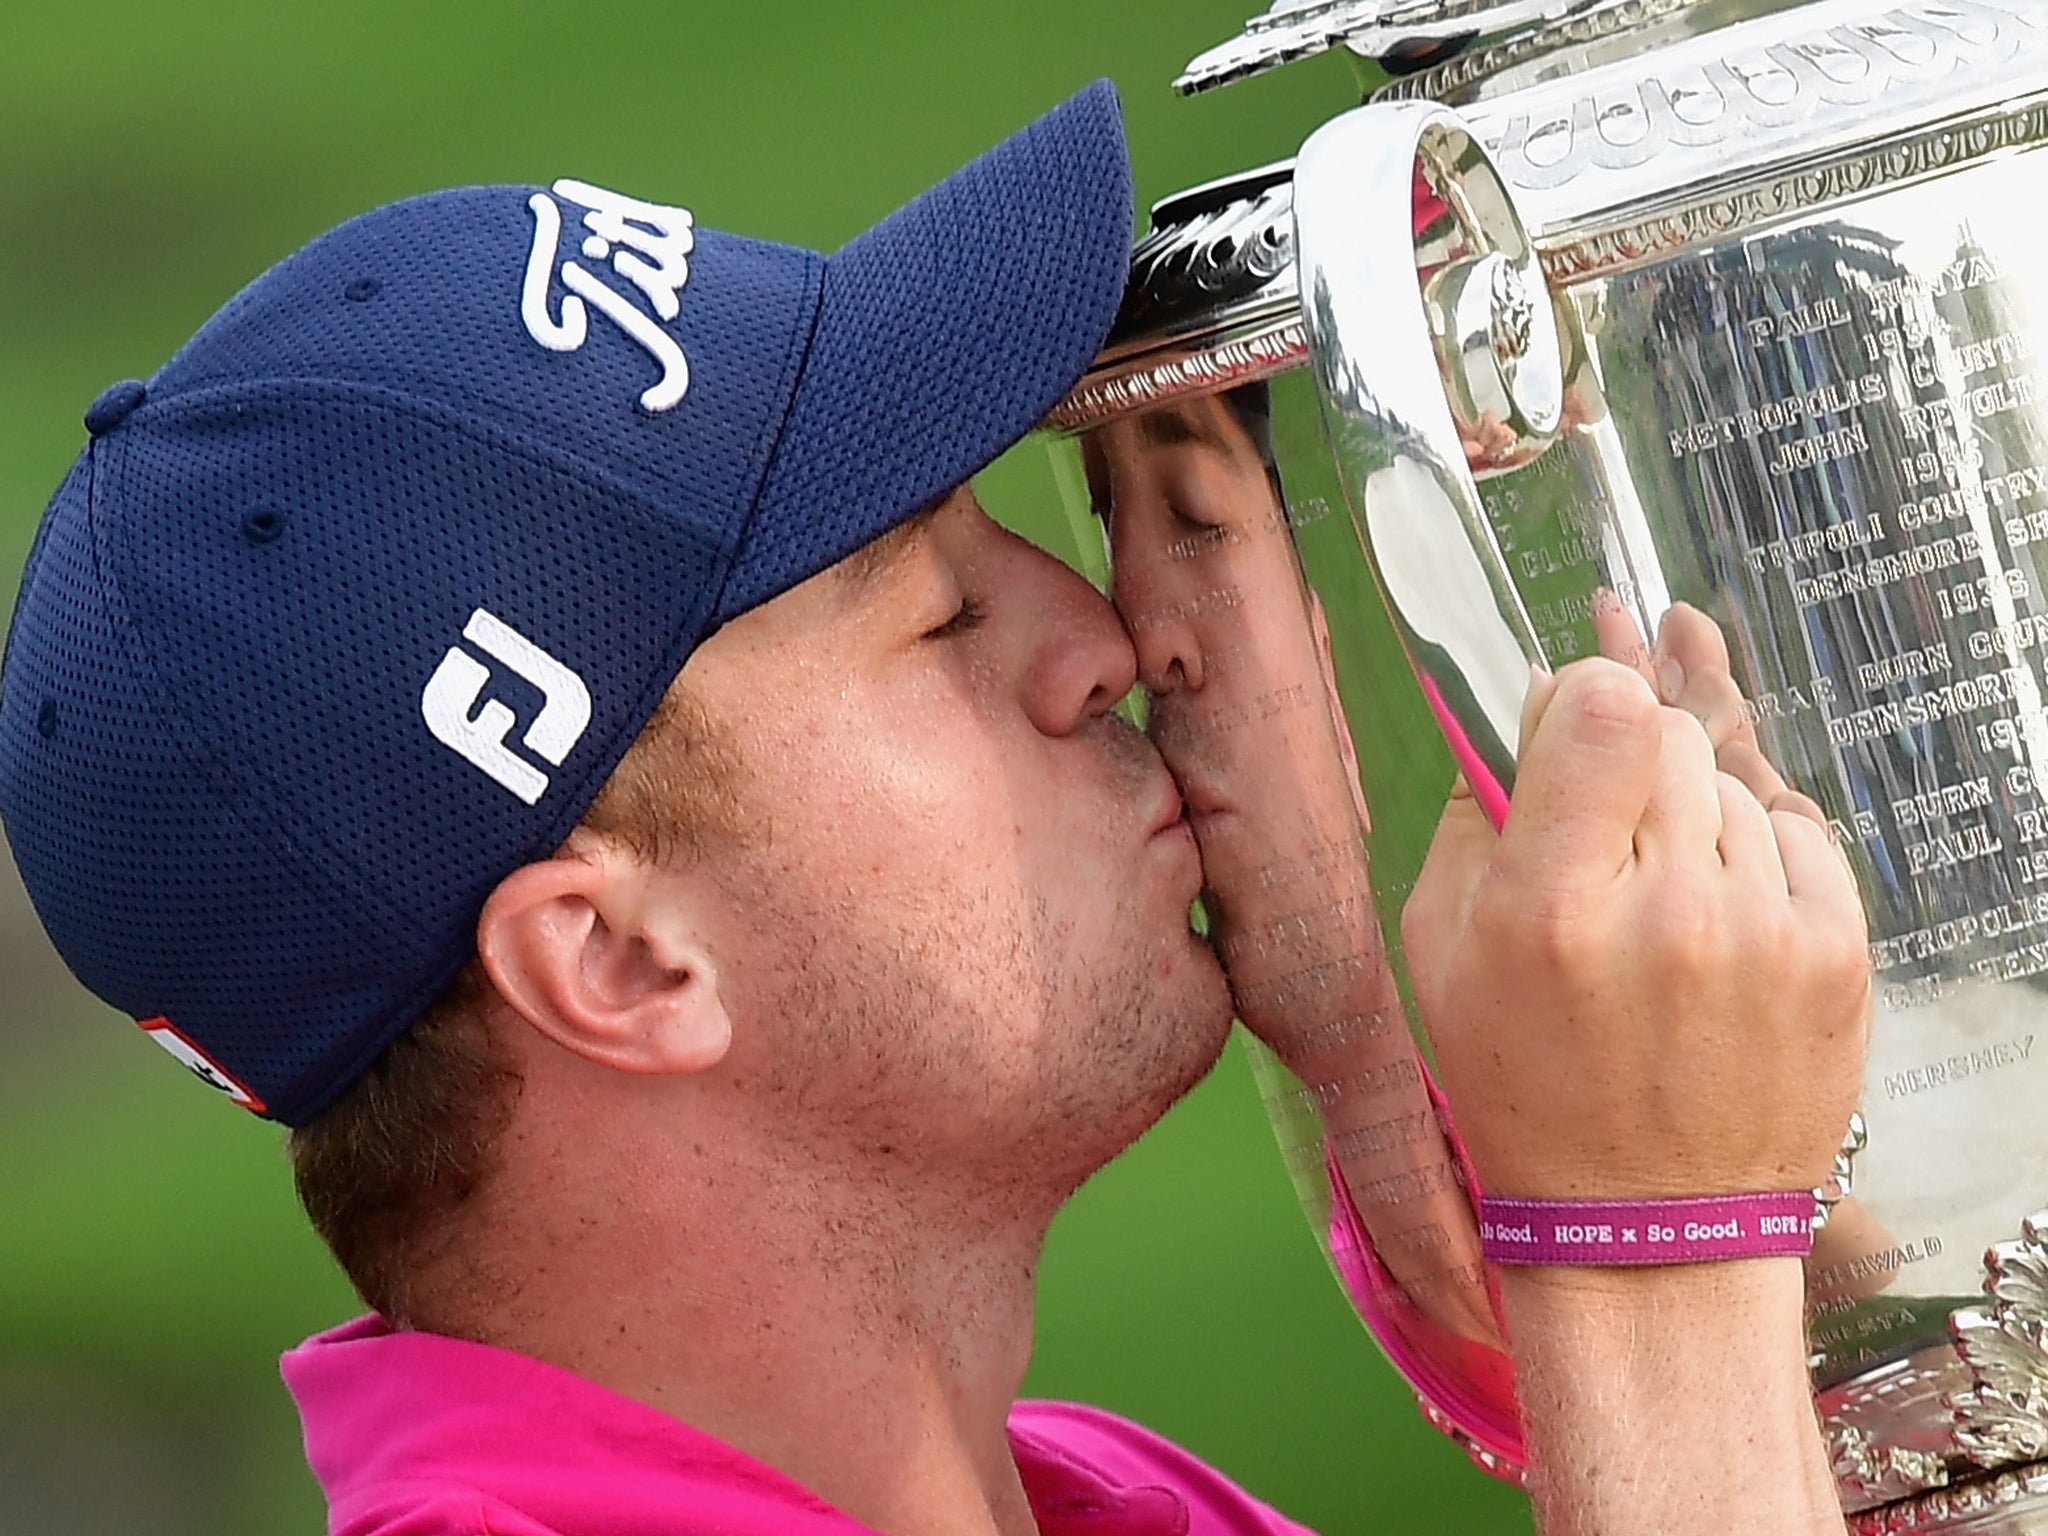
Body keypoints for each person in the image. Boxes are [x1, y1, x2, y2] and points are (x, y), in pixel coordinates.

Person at [0, 83, 1869, 1536]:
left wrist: (1404, 1098)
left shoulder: (1080, 1496)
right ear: (625, 962)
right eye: (940, 612)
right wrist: (1661, 1250)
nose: (1103, 642)